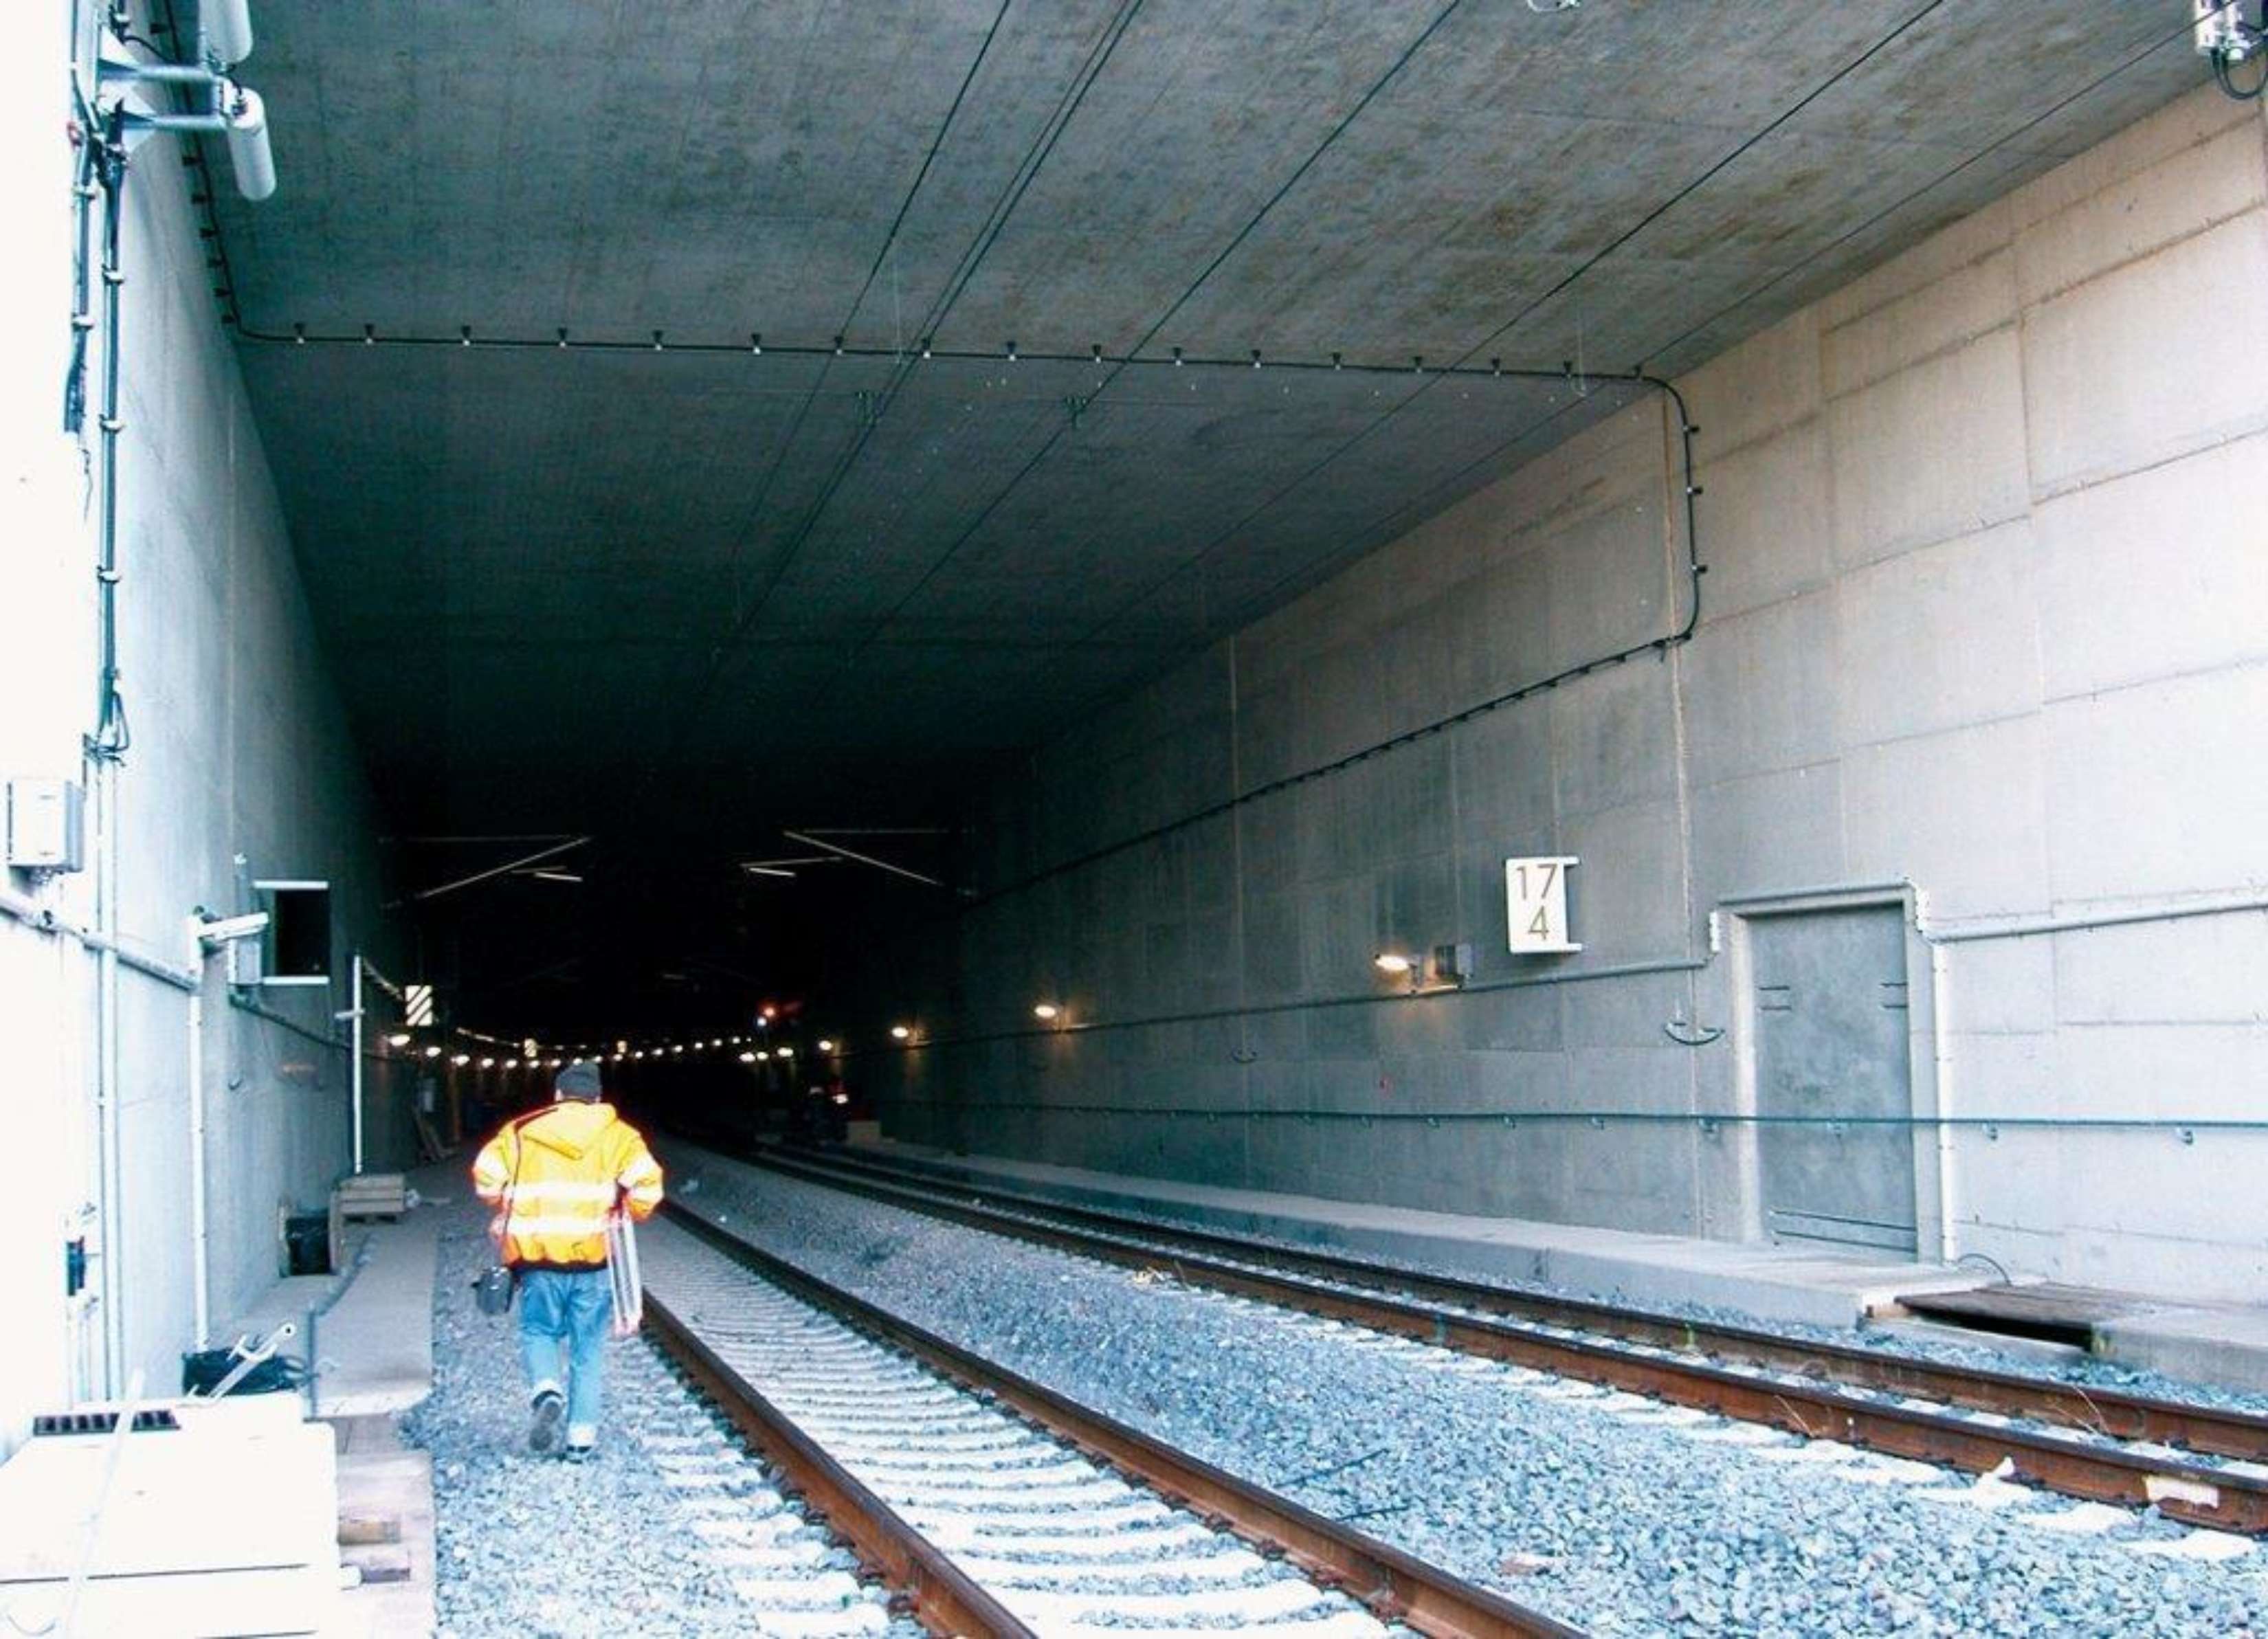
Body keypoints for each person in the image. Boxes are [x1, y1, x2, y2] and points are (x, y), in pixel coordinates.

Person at [471, 1059, 664, 1460]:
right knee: (587, 1349)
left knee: (538, 1331)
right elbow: (647, 1189)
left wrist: (508, 1202)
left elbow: (486, 1178)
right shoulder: (619, 1136)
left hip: (538, 1260)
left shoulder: (521, 1132)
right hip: (593, 1262)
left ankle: (546, 1387)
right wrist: (629, 1209)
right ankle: (580, 1441)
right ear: (597, 1099)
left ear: (557, 1096)